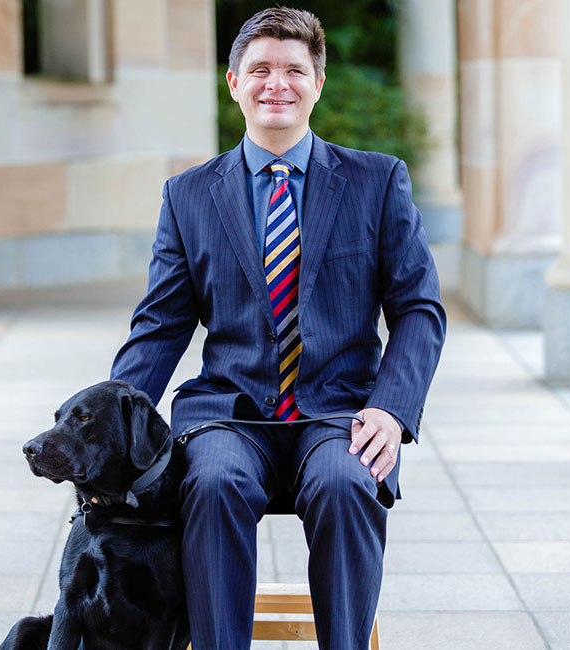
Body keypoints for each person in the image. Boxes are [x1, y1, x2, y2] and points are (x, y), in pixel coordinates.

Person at [111, 6, 446, 649]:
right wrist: (110, 420)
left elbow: (418, 309)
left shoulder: (378, 182)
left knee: (347, 483)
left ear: (318, 83)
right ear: (233, 83)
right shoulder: (188, 196)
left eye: (294, 69)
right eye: (259, 69)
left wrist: (391, 410)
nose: (277, 84)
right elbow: (159, 326)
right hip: (229, 414)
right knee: (209, 481)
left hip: (341, 412)